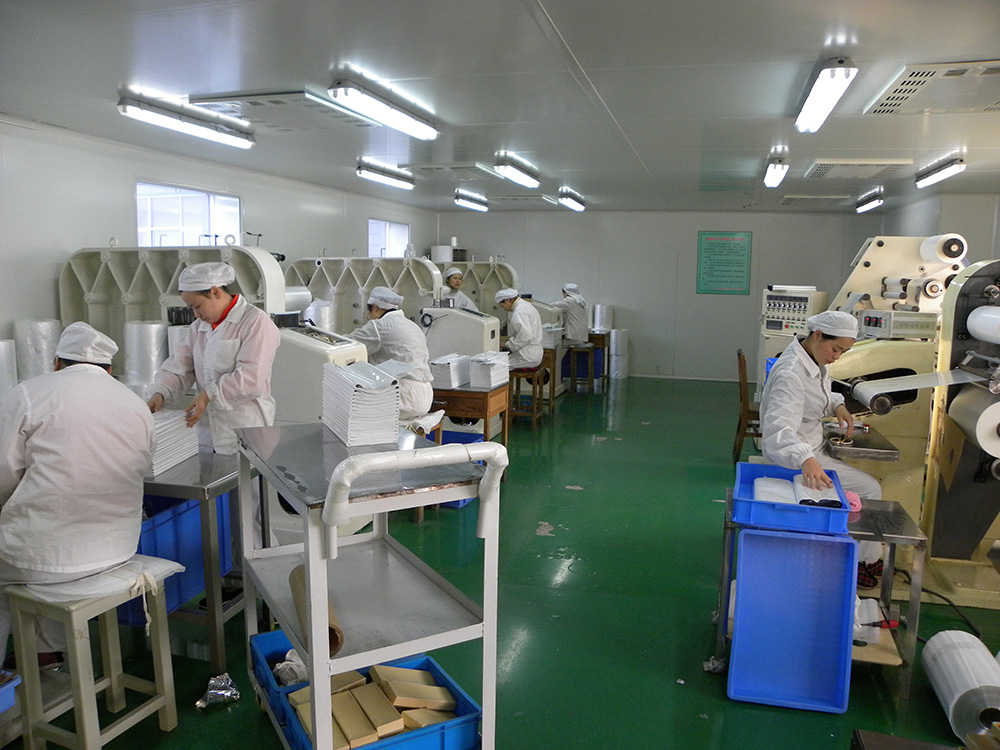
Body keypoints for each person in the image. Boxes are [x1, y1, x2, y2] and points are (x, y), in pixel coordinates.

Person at [0, 322, 155, 666]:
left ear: (57, 363)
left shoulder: (29, 393)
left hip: (45, 560)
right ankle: (46, 649)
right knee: (49, 544)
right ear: (109, 369)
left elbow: (4, 475)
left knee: (32, 551)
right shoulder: (136, 404)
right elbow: (141, 467)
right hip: (118, 550)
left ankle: (15, 673)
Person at [759, 309, 883, 586]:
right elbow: (778, 431)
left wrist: (837, 405)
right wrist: (806, 459)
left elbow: (818, 395)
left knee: (864, 487)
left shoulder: (813, 360)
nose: (837, 356)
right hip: (793, 458)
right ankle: (861, 563)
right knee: (869, 489)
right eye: (836, 349)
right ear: (817, 335)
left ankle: (860, 557)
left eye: (843, 352)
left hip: (810, 451)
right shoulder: (791, 373)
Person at [148, 261, 281, 455]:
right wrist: (160, 393)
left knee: (246, 473)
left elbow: (252, 378)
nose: (196, 314)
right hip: (209, 433)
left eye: (197, 306)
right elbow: (179, 367)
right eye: (191, 308)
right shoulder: (198, 328)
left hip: (247, 430)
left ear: (214, 292)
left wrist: (210, 394)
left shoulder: (255, 322)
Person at [347, 286, 434, 421]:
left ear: (375, 307)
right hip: (426, 396)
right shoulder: (413, 326)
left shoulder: (379, 326)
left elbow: (346, 345)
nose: (369, 317)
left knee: (347, 406)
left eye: (369, 312)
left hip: (402, 397)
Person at [496, 288, 543, 370]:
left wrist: (506, 344)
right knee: (499, 363)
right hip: (531, 352)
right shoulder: (525, 305)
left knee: (496, 367)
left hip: (527, 356)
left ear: (507, 300)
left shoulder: (519, 312)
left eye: (502, 306)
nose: (504, 309)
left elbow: (525, 336)